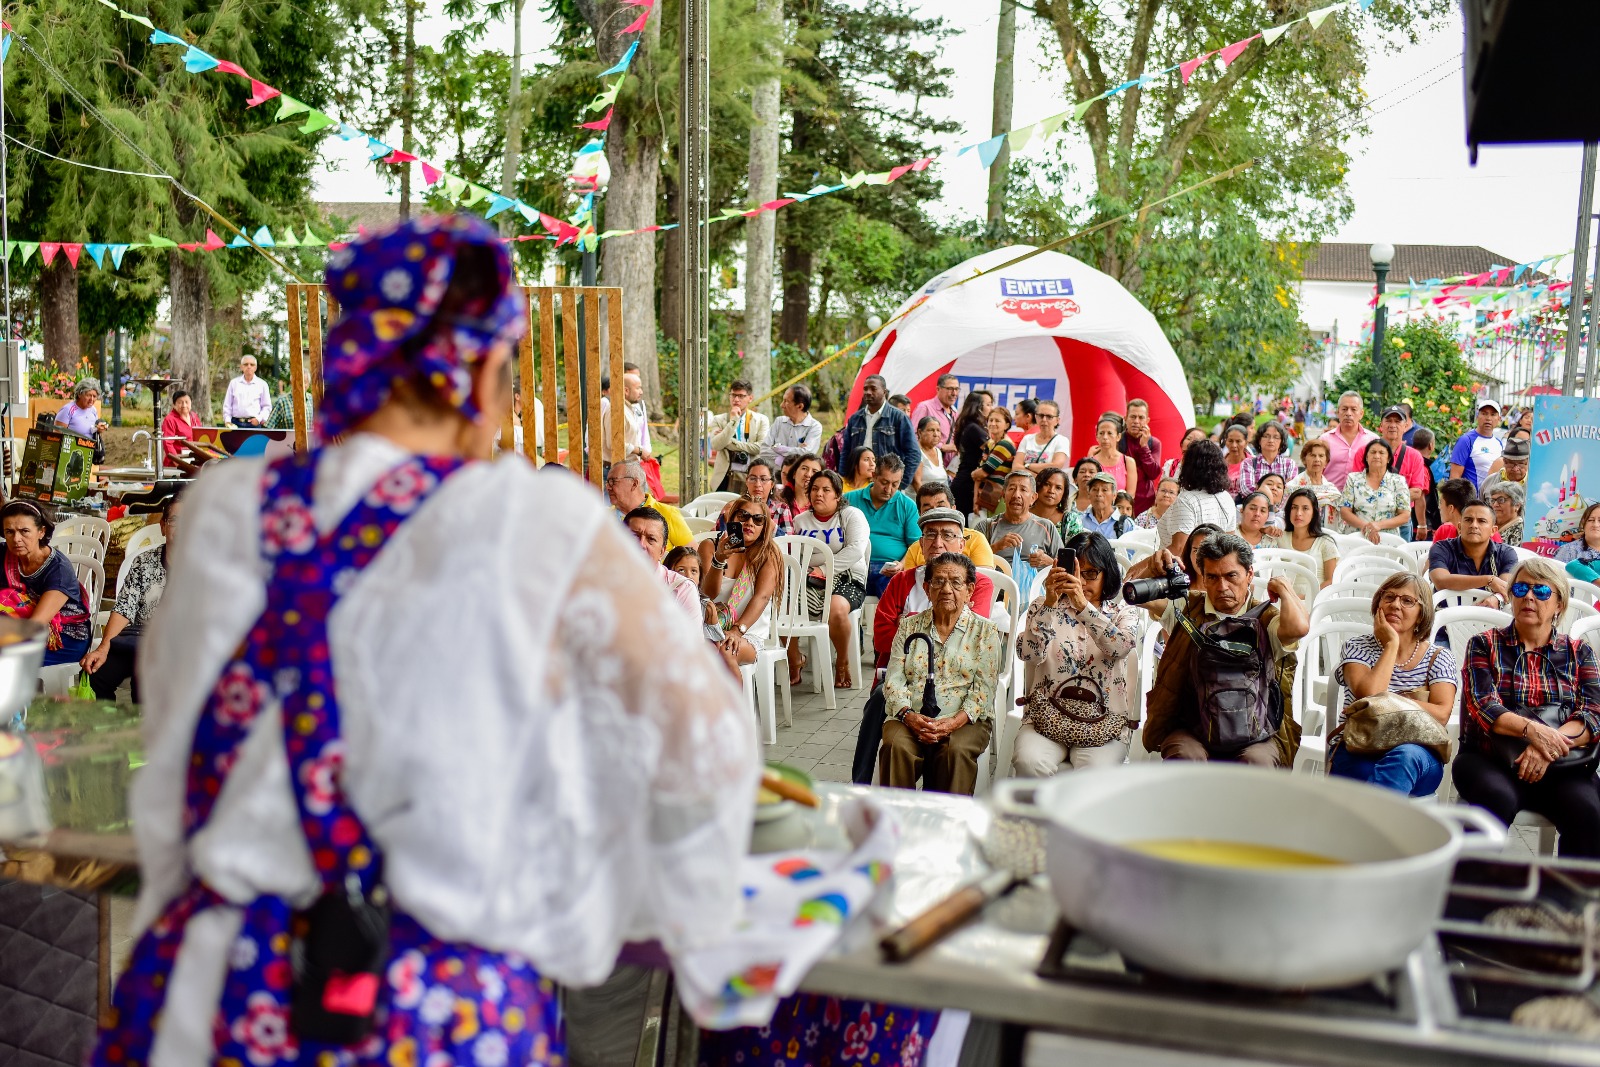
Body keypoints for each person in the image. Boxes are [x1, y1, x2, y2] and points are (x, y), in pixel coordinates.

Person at [95, 215, 755, 1067]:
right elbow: (706, 757)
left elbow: (179, 742)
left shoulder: (228, 507)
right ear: (479, 372)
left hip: (210, 987)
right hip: (427, 1004)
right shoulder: (536, 521)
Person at [1456, 557, 1600, 858]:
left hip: (1563, 763)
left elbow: (1592, 713)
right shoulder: (1484, 644)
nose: (1529, 597)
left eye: (1541, 591)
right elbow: (1483, 705)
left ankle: (1567, 901)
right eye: (1520, 589)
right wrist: (1533, 731)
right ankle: (1472, 893)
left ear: (1559, 603)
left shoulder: (1578, 652)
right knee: (1495, 799)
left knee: (1588, 812)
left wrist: (1547, 746)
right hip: (1490, 757)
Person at [1142, 533, 1308, 766]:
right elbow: (1133, 594)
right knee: (1185, 756)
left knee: (1257, 762)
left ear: (1249, 574)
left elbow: (1299, 628)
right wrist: (1152, 565)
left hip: (1256, 730)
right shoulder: (1188, 607)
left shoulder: (1266, 618)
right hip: (1192, 726)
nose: (1222, 587)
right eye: (1212, 577)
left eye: (1231, 576)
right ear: (1203, 576)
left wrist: (1283, 587)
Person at [1013, 532, 1140, 776]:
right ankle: (1043, 814)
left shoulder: (1122, 613)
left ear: (1107, 574)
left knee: (1094, 772)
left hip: (1104, 724)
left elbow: (1120, 647)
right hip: (1046, 717)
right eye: (1075, 571)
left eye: (1091, 573)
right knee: (1029, 761)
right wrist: (1050, 603)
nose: (1081, 581)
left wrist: (1083, 607)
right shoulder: (1042, 605)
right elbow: (1028, 654)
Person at [878, 553, 1004, 795]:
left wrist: (952, 723)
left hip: (964, 719)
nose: (946, 589)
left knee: (954, 752)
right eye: (938, 581)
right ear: (927, 588)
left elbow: (984, 691)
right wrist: (908, 715)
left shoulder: (985, 631)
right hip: (911, 716)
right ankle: (897, 821)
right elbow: (893, 679)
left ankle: (948, 826)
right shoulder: (909, 627)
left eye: (956, 582)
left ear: (969, 591)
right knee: (896, 745)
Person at [1328, 572, 1457, 797]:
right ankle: (1381, 828)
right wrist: (1391, 645)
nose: (1395, 605)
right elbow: (1369, 694)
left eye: (1407, 601)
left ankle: (1359, 828)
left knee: (1404, 758)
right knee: (1367, 773)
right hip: (1359, 746)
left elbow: (1441, 714)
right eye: (1389, 597)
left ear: (1421, 614)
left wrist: (1390, 701)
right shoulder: (1357, 647)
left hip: (1419, 754)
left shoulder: (1439, 657)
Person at [81, 494, 181, 700]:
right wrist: (103, 648)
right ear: (163, 526)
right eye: (175, 521)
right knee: (93, 674)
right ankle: (105, 727)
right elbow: (125, 607)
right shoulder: (145, 561)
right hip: (138, 640)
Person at [873, 508, 998, 667]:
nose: (938, 543)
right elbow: (881, 639)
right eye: (931, 534)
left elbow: (970, 638)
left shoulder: (978, 583)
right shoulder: (901, 581)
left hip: (956, 675)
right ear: (921, 544)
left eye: (947, 535)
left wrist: (908, 621)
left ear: (961, 545)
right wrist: (952, 620)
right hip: (900, 674)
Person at [791, 469, 870, 688]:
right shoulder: (800, 521)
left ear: (837, 495)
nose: (819, 494)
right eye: (815, 489)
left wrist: (824, 569)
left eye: (826, 490)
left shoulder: (851, 515)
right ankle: (794, 659)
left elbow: (855, 550)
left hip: (847, 576)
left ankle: (842, 660)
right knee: (783, 603)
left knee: (836, 608)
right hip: (809, 578)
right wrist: (809, 572)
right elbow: (794, 553)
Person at [0, 500, 90, 668]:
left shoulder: (59, 570)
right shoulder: (3, 554)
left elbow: (34, 626)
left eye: (24, 531)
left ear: (41, 532)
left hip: (63, 637)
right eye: (9, 532)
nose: (16, 539)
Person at [697, 498, 783, 673]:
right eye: (743, 515)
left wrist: (737, 630)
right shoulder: (710, 546)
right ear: (732, 518)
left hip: (749, 632)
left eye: (758, 519)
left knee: (724, 651)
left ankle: (733, 701)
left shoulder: (768, 554)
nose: (749, 522)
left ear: (764, 526)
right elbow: (708, 594)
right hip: (711, 626)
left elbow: (762, 597)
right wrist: (719, 559)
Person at [844, 455, 922, 595]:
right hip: (854, 565)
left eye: (895, 484)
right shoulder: (850, 499)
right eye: (884, 482)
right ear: (873, 476)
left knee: (895, 597)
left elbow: (916, 544)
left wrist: (902, 564)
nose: (888, 489)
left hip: (890, 569)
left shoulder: (907, 505)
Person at [886, 484, 997, 576]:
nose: (936, 513)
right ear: (920, 514)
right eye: (928, 510)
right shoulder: (915, 548)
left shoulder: (975, 540)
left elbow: (984, 579)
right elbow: (909, 587)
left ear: (954, 509)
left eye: (941, 507)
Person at [1428, 499, 1518, 610]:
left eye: (1481, 521)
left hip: (1492, 620)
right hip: (1446, 620)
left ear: (1493, 530)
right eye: (1468, 520)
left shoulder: (1506, 553)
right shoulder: (1442, 548)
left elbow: (1505, 586)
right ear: (1460, 527)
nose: (1474, 525)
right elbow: (1441, 581)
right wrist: (1489, 580)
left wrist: (1497, 598)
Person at [1157, 438, 1237, 558]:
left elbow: (1179, 549)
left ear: (1190, 466)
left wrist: (1145, 564)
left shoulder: (1187, 500)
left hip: (1183, 572)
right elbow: (1229, 543)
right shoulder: (1226, 498)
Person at [627, 505, 703, 626]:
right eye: (634, 536)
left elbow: (692, 643)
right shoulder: (601, 581)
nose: (641, 544)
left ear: (662, 552)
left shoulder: (682, 589)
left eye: (651, 539)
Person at [843, 374, 920, 490]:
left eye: (873, 389)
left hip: (886, 484)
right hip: (856, 484)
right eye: (865, 389)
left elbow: (914, 453)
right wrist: (844, 478)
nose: (868, 392)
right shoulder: (855, 418)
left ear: (884, 392)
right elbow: (846, 452)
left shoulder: (898, 417)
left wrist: (899, 484)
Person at [978, 470, 1063, 571]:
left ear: (1033, 498)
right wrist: (996, 547)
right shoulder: (986, 526)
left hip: (1035, 586)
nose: (1016, 495)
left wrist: (1048, 562)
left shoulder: (1047, 527)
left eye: (1023, 490)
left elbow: (1065, 569)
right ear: (1003, 495)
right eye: (1012, 489)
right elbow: (969, 564)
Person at [1338, 439, 1411, 545]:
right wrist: (1367, 527)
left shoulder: (1398, 481)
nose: (1377, 456)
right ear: (1366, 457)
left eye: (1381, 453)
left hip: (1388, 541)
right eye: (1373, 452)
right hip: (1356, 538)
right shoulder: (1353, 479)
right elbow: (1345, 511)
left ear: (1388, 458)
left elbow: (1405, 515)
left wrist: (1379, 525)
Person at [606, 459, 693, 549]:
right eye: (607, 482)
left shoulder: (668, 514)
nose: (608, 487)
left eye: (613, 481)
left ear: (634, 484)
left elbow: (693, 555)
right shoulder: (603, 517)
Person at [709, 379, 770, 493]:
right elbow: (716, 445)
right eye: (733, 395)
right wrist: (733, 421)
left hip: (751, 475)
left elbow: (760, 448)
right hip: (725, 476)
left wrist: (728, 442)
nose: (736, 399)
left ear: (750, 398)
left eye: (741, 396)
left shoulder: (761, 420)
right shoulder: (719, 419)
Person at [1272, 487, 1339, 587]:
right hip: (1284, 598)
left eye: (1305, 508)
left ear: (1314, 513)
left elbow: (1331, 581)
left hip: (1316, 599)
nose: (1298, 513)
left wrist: (1305, 597)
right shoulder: (1280, 537)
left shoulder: (1326, 542)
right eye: (1294, 507)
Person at [1319, 391, 1378, 488]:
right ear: (1338, 412)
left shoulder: (1373, 440)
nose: (1348, 413)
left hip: (1361, 499)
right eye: (1344, 409)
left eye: (1353, 409)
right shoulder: (1325, 439)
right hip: (1330, 499)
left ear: (1361, 414)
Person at [1449, 398, 1505, 493]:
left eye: (1493, 414)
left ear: (1499, 419)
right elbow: (1454, 478)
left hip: (1491, 502)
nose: (1488, 418)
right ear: (1477, 416)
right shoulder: (1466, 440)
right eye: (1484, 413)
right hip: (1471, 502)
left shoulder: (1498, 443)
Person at [949, 390, 991, 515]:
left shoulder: (968, 425)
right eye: (988, 404)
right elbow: (992, 450)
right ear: (978, 408)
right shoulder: (974, 429)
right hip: (967, 484)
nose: (991, 408)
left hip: (963, 481)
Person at [599, 367, 651, 466]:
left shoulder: (627, 408)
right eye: (638, 388)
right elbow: (614, 443)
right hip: (615, 470)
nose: (641, 392)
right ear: (626, 391)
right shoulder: (616, 410)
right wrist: (639, 451)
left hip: (625, 468)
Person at [1287, 438, 1342, 532]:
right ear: (1304, 459)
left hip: (1327, 536)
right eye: (1312, 455)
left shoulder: (1332, 490)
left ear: (1326, 461)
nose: (1317, 459)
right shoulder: (1292, 487)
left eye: (1321, 456)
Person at [1121, 398, 1164, 514]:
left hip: (1145, 502)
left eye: (1141, 417)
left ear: (1147, 420)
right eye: (1133, 417)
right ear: (1125, 418)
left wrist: (1144, 447)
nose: (1136, 421)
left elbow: (1153, 473)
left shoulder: (1154, 443)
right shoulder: (1118, 440)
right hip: (1120, 501)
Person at [910, 373, 960, 466]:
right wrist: (942, 447)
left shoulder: (955, 413)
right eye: (950, 389)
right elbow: (913, 436)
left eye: (956, 389)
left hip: (948, 469)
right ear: (938, 389)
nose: (954, 393)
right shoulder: (925, 407)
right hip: (927, 466)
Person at [1238, 421, 1297, 496]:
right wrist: (1279, 489)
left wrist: (1259, 488)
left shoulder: (1290, 464)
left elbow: (1291, 490)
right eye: (1266, 436)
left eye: (1276, 437)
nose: (1271, 440)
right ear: (1259, 440)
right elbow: (1247, 489)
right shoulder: (1249, 463)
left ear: (1281, 441)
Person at [768, 384, 824, 461]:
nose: (781, 405)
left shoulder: (814, 427)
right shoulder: (779, 422)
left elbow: (806, 454)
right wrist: (797, 450)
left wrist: (780, 449)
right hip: (775, 471)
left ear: (800, 406)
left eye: (786, 401)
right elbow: (764, 450)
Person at [1014, 399, 1070, 475]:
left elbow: (1055, 466)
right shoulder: (1027, 439)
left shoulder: (1061, 440)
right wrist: (1036, 477)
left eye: (1049, 416)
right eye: (1041, 416)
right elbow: (1016, 467)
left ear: (1057, 420)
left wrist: (1027, 465)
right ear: (1036, 417)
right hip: (1026, 485)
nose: (1044, 419)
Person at [1087, 415, 1137, 499]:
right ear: (1096, 437)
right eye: (1101, 433)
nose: (1105, 437)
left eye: (1110, 433)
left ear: (1118, 437)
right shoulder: (1091, 462)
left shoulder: (1128, 462)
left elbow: (1130, 496)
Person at [160, 389, 204, 476]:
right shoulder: (170, 419)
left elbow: (200, 437)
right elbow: (167, 443)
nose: (184, 405)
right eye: (180, 402)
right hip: (175, 464)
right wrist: (178, 462)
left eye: (187, 402)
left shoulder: (194, 416)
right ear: (174, 404)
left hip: (193, 461)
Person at [1079, 471, 1134, 540]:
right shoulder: (1079, 521)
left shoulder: (1126, 524)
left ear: (1114, 495)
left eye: (1104, 490)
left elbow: (1131, 549)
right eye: (1095, 489)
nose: (1099, 494)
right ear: (1089, 494)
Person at [221, 355, 273, 427]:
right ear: (241, 367)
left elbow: (267, 406)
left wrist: (259, 419)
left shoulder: (262, 384)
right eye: (246, 364)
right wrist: (227, 421)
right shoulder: (234, 383)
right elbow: (227, 405)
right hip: (235, 423)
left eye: (252, 364)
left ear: (255, 367)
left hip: (254, 424)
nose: (249, 367)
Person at [1558, 502, 1600, 583]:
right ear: (1583, 523)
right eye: (1591, 520)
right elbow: (1552, 579)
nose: (1595, 524)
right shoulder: (1567, 550)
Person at [1432, 476, 1480, 542]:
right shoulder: (1443, 531)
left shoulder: (1488, 533)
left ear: (1451, 508)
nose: (1439, 507)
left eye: (1440, 503)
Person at [978, 406, 1018, 484]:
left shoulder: (1005, 444)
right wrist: (976, 495)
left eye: (997, 421)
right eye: (991, 420)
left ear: (1006, 425)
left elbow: (983, 472)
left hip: (998, 493)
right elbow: (981, 468)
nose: (993, 423)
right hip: (984, 491)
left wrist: (974, 474)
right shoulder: (990, 443)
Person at [1413, 427, 1440, 540]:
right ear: (1431, 446)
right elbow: (1420, 497)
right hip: (1421, 528)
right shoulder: (1422, 467)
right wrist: (1423, 525)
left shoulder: (1412, 462)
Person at [782, 452, 822, 516]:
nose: (808, 474)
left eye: (814, 471)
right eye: (804, 468)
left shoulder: (822, 505)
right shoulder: (780, 501)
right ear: (794, 474)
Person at [913, 416, 949, 488]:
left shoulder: (937, 451)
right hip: (919, 497)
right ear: (920, 432)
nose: (936, 434)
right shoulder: (915, 452)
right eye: (931, 430)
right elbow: (916, 483)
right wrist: (926, 499)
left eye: (938, 430)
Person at [1487, 481, 1526, 546]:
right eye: (1492, 500)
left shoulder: (1521, 532)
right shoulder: (1487, 525)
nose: (1495, 504)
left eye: (1501, 500)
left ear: (1517, 505)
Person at [1220, 424, 1250, 496]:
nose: (1234, 445)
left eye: (1238, 441)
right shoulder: (1219, 463)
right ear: (1225, 441)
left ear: (1246, 443)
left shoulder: (1253, 464)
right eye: (1230, 441)